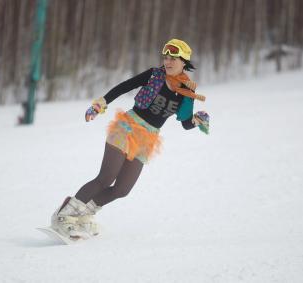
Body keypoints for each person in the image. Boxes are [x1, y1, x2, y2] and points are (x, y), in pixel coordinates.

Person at [50, 39, 209, 241]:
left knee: (122, 189)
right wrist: (100, 104)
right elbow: (124, 86)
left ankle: (83, 214)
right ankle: (64, 215)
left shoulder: (188, 90)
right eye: (166, 57)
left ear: (184, 62)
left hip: (148, 138)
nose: (168, 62)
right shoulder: (154, 75)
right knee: (105, 178)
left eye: (173, 59)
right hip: (127, 127)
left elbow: (185, 122)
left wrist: (198, 120)